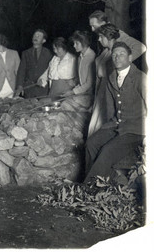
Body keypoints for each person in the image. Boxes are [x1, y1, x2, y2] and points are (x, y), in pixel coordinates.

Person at [84, 42, 146, 183]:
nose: (117, 57)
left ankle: (88, 187)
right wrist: (109, 126)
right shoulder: (111, 78)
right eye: (114, 55)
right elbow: (110, 108)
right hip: (116, 125)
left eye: (121, 54)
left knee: (107, 150)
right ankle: (107, 182)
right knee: (91, 143)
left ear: (130, 58)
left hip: (136, 128)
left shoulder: (140, 78)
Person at [88, 24, 120, 137]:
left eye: (101, 36)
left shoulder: (117, 53)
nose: (99, 39)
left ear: (109, 37)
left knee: (103, 126)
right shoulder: (106, 52)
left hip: (110, 93)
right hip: (102, 90)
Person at [61, 31, 96, 110]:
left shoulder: (91, 57)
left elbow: (89, 84)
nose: (74, 46)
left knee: (65, 104)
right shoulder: (80, 57)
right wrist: (73, 82)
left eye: (76, 43)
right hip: (82, 92)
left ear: (84, 43)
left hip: (89, 95)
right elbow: (81, 79)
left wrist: (73, 92)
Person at [14, 29, 53, 98]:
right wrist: (20, 86)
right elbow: (21, 71)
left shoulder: (49, 53)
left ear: (43, 40)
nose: (36, 37)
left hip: (43, 90)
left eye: (39, 36)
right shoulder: (25, 53)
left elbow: (51, 70)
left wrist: (44, 81)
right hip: (29, 90)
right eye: (35, 35)